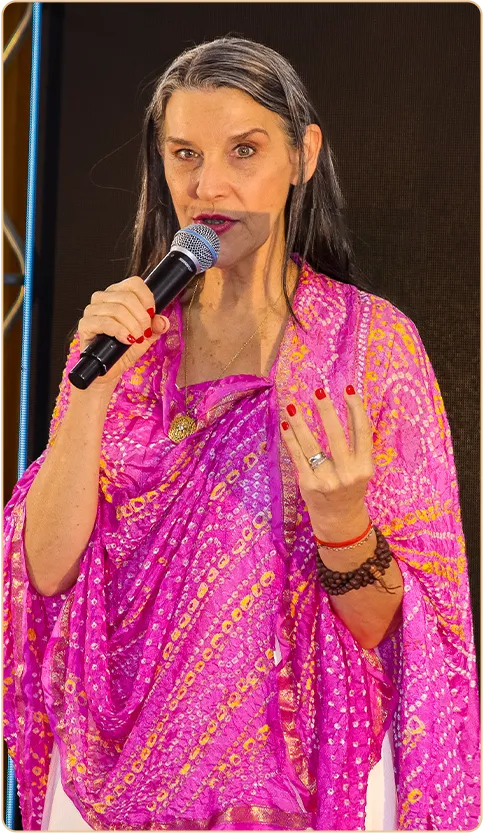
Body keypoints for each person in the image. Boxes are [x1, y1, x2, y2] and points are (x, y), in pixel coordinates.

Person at [3, 36, 479, 832]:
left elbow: (394, 630)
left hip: (303, 783)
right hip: (112, 779)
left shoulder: (369, 347)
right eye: (184, 154)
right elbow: (46, 571)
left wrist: (343, 525)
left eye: (244, 150)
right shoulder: (126, 345)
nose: (208, 185)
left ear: (303, 155)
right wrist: (88, 393)